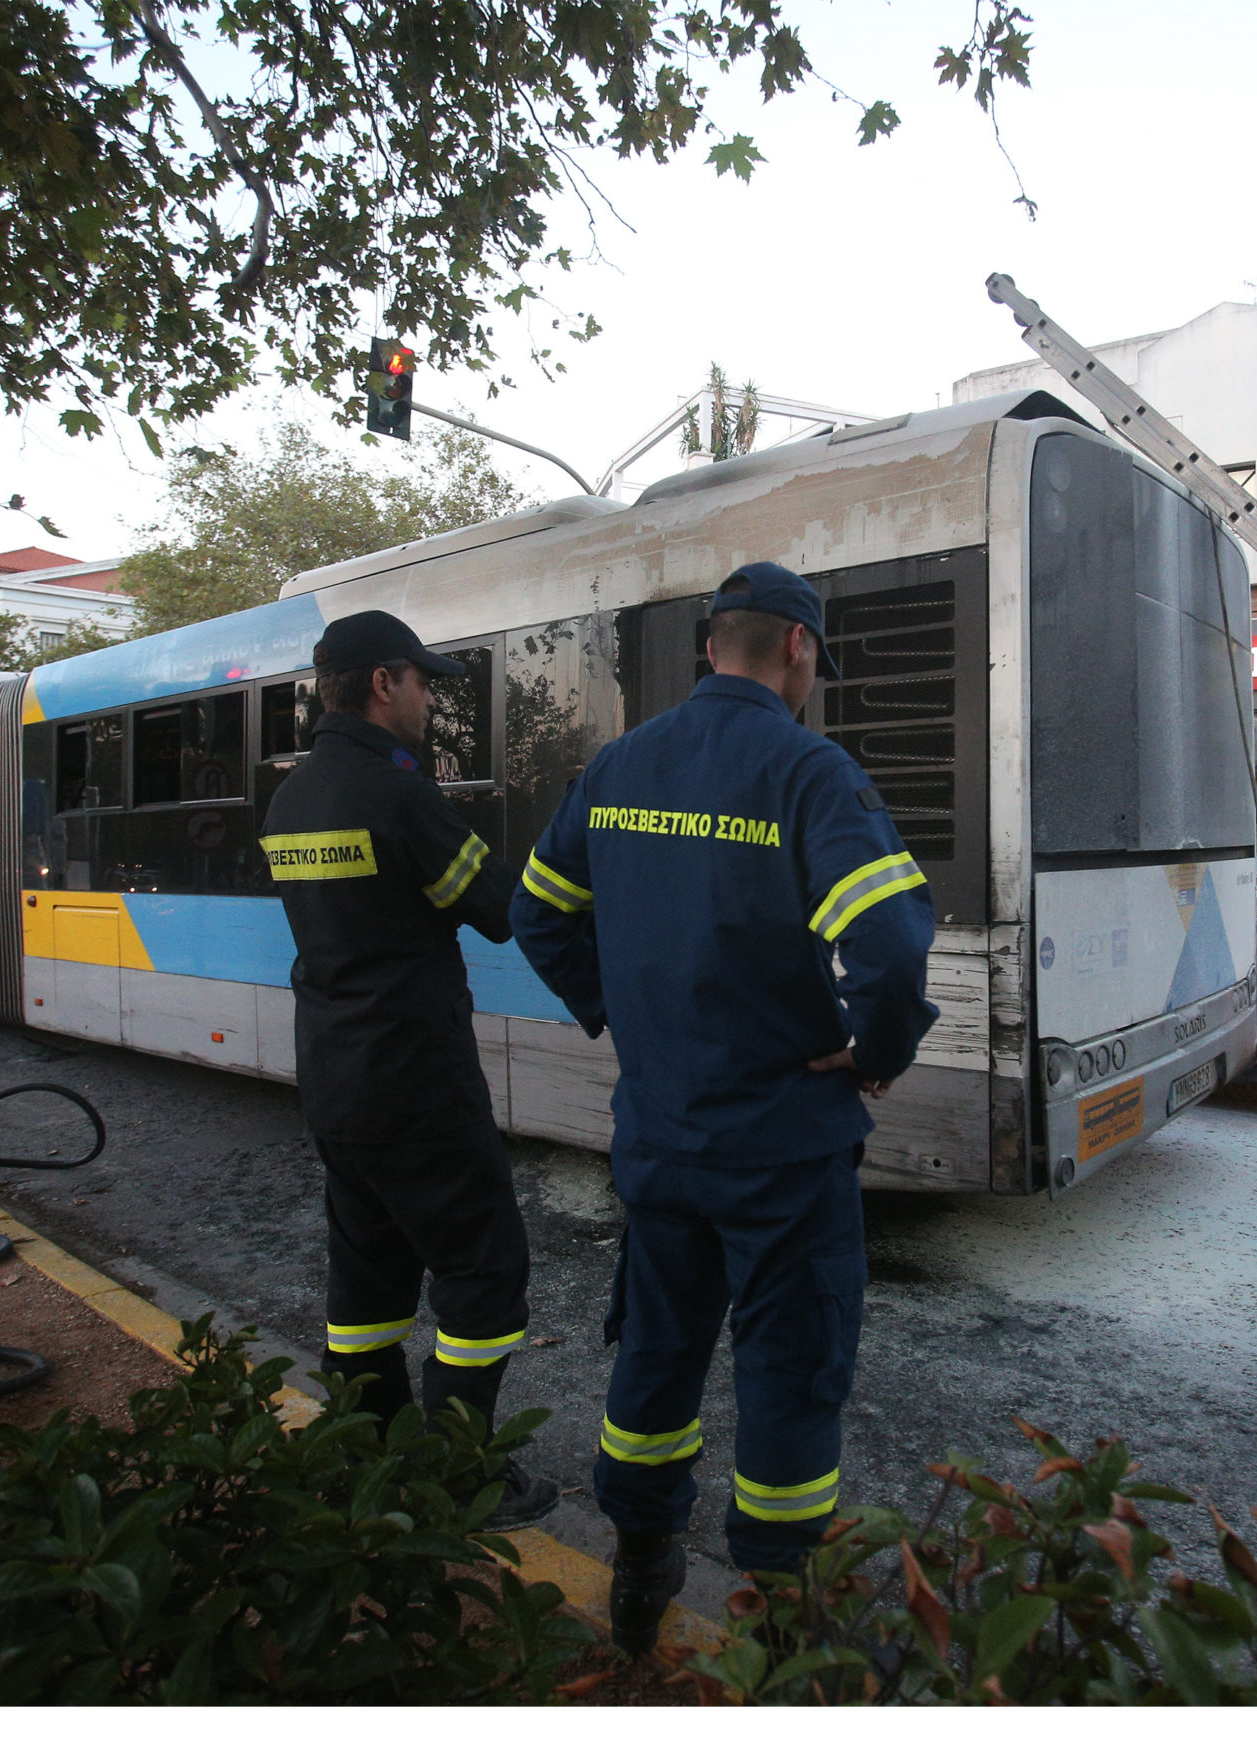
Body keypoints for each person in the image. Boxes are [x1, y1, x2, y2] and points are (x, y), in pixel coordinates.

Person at [511, 561, 938, 1653]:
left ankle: (641, 1575)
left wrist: (618, 1013)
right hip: (784, 1149)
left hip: (660, 1140)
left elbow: (538, 912)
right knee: (789, 1369)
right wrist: (873, 1051)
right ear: (797, 649)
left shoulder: (617, 766)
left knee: (654, 1355)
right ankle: (782, 1623)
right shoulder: (806, 770)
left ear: (713, 645)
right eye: (814, 665)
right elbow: (888, 943)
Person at [259, 608, 557, 1528]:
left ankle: (371, 1453)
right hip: (417, 1077)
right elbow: (499, 906)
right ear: (384, 682)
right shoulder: (396, 793)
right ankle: (461, 1466)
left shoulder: (292, 798)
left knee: (368, 1274)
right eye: (423, 681)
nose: (430, 699)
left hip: (335, 1075)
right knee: (482, 1267)